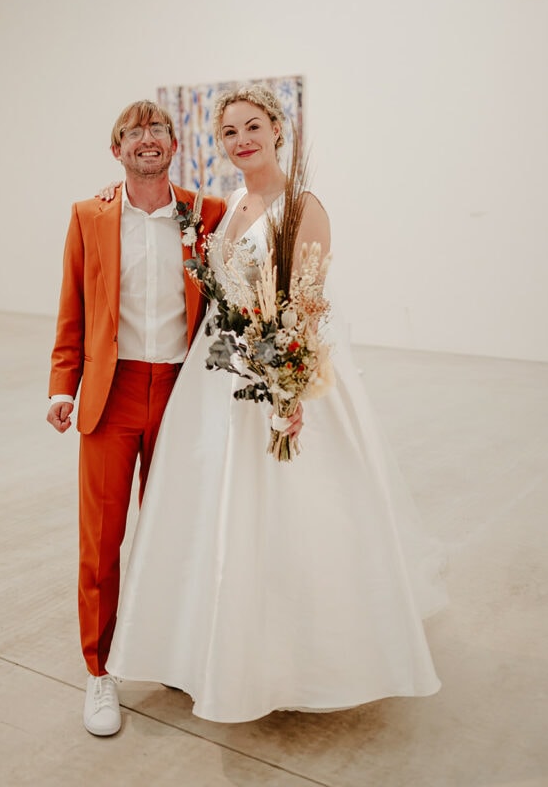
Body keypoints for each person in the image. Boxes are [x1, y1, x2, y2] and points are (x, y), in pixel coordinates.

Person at [106, 84, 447, 723]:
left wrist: (288, 390)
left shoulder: (304, 205)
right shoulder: (231, 201)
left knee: (293, 511)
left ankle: (300, 660)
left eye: (252, 126)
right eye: (229, 131)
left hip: (281, 372)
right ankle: (203, 645)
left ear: (278, 128)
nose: (242, 140)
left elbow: (308, 305)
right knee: (209, 506)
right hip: (220, 374)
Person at [46, 100, 226, 736]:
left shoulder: (207, 213)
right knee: (102, 540)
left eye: (158, 130)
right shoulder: (89, 216)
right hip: (112, 392)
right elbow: (74, 307)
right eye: (134, 132)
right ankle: (100, 672)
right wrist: (62, 384)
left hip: (183, 392)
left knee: (175, 530)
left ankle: (171, 649)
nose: (147, 140)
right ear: (116, 148)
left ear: (173, 144)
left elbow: (223, 307)